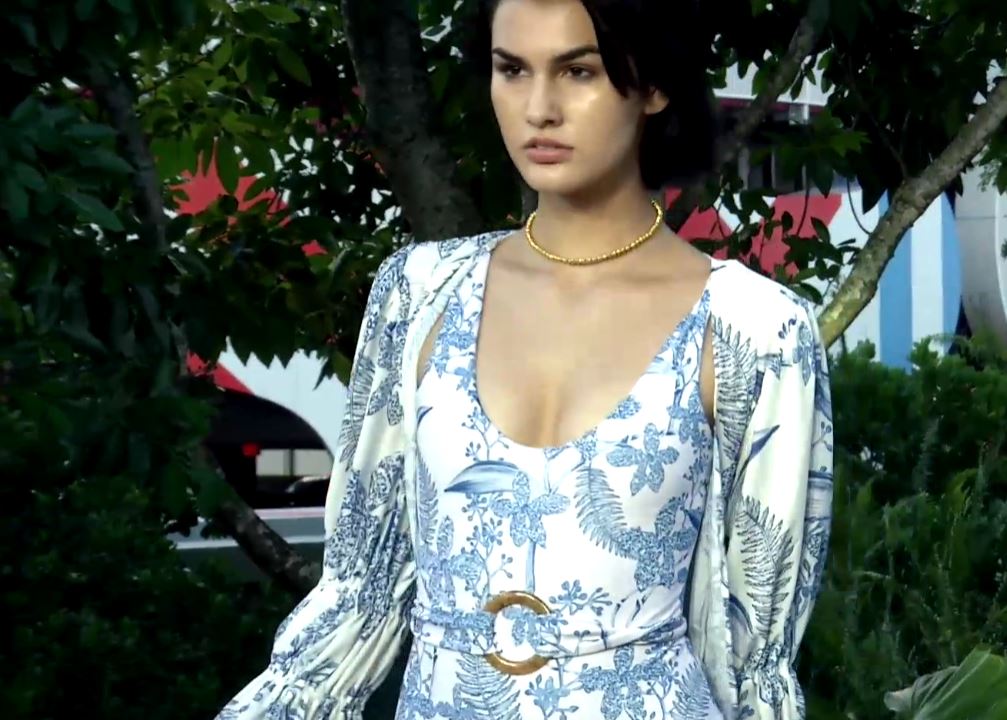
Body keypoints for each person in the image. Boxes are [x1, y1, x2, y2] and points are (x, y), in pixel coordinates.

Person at [215, 0, 834, 718]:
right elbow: (356, 595)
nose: (538, 109)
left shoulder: (753, 329)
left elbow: (755, 657)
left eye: (578, 71)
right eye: (512, 70)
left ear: (654, 86)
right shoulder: (420, 293)